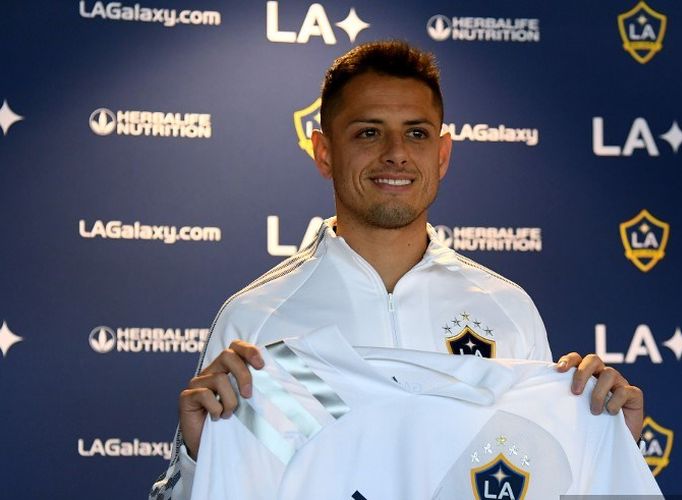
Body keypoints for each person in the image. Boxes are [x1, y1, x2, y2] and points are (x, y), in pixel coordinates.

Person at [150, 40, 644, 500]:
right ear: (324, 152)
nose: (396, 153)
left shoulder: (508, 310)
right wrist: (200, 456)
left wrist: (607, 440)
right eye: (368, 132)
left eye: (416, 133)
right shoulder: (255, 321)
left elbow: (541, 474)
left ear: (443, 153)